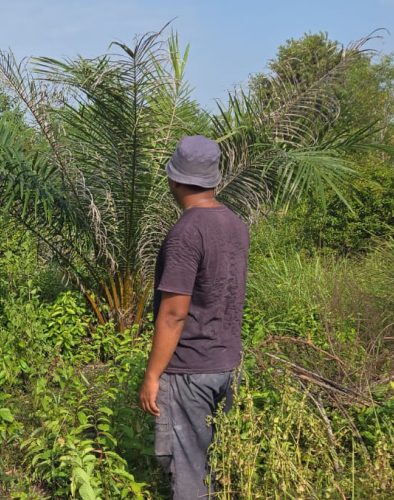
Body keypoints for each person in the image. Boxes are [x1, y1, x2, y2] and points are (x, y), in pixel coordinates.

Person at [139, 135, 249, 499]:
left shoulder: (185, 233)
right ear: (214, 180)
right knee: (219, 465)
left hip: (189, 372)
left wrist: (152, 375)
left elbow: (173, 314)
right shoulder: (234, 224)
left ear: (173, 179)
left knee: (189, 474)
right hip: (229, 365)